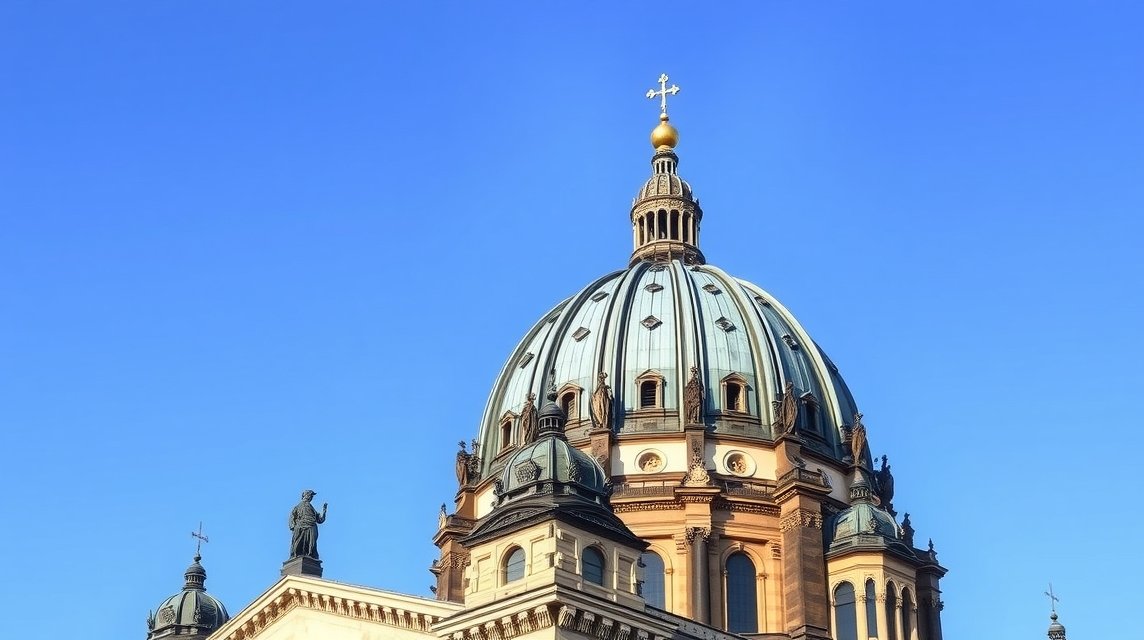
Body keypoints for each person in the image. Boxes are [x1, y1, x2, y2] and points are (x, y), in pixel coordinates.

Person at [288, 489, 327, 559]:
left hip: (311, 527)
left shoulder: (311, 508)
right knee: (298, 545)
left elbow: (320, 520)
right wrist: (294, 527)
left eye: (312, 496)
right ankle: (296, 558)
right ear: (306, 495)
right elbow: (292, 518)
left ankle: (310, 558)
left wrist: (324, 511)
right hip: (301, 527)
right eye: (310, 495)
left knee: (311, 546)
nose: (311, 497)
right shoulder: (298, 506)